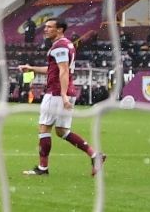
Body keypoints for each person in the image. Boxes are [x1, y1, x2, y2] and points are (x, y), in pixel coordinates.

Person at [22, 17, 104, 176]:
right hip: (66, 92)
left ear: (59, 29)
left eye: (49, 27)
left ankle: (42, 168)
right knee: (62, 131)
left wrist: (63, 95)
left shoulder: (59, 47)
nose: (45, 29)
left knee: (44, 128)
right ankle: (95, 155)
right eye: (45, 27)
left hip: (56, 93)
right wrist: (31, 68)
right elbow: (54, 69)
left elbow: (64, 70)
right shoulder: (66, 45)